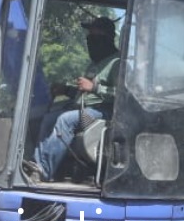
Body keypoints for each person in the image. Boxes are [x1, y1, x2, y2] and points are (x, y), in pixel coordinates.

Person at [28, 16, 120, 181]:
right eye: (89, 36)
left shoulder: (117, 63)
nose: (90, 40)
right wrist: (66, 90)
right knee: (48, 119)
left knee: (65, 119)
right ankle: (36, 165)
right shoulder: (95, 64)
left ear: (106, 37)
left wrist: (94, 87)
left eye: (94, 36)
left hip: (103, 113)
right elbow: (85, 95)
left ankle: (43, 171)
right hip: (88, 109)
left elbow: (123, 95)